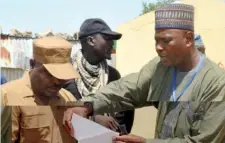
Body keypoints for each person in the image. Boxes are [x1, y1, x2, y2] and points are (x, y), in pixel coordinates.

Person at [63, 3, 225, 143]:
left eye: (166, 41)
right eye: (156, 40)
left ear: (188, 39)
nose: (158, 47)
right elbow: (126, 89)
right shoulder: (161, 67)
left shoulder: (216, 83)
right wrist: (88, 105)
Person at [1, 36, 82, 143]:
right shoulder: (6, 95)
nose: (57, 82)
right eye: (48, 73)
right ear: (32, 64)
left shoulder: (68, 98)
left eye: (61, 75)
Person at [62, 18, 135, 133]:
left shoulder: (113, 75)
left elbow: (124, 114)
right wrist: (93, 119)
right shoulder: (66, 74)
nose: (112, 43)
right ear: (91, 40)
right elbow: (59, 112)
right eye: (107, 38)